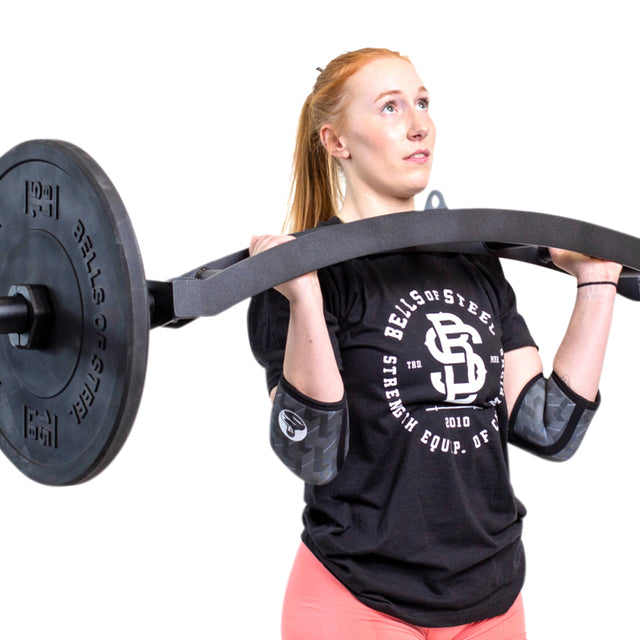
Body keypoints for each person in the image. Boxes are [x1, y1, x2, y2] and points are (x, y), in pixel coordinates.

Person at [247, 48, 621, 640]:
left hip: (492, 595)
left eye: (422, 102)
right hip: (358, 599)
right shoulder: (302, 278)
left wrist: (596, 281)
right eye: (390, 107)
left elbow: (548, 429)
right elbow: (312, 454)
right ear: (337, 141)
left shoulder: (474, 267)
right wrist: (306, 305)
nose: (418, 123)